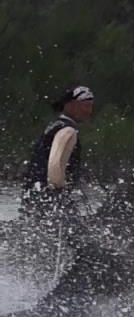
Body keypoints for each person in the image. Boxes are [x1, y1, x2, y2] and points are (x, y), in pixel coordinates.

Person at [18, 85, 95, 226]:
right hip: (51, 200)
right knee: (82, 244)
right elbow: (54, 164)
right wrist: (58, 189)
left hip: (33, 198)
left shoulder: (53, 126)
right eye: (86, 106)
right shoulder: (68, 130)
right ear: (71, 105)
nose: (90, 111)